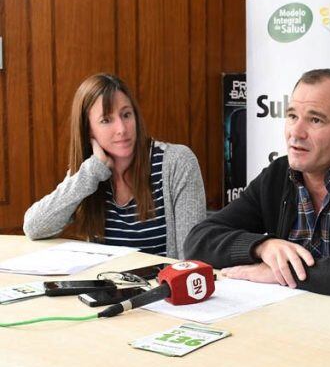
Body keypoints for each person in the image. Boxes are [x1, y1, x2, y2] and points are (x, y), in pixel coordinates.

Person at [184, 68, 330, 303]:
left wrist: (281, 272)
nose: (296, 132)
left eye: (315, 119)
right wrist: (262, 247)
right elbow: (198, 241)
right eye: (292, 116)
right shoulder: (279, 174)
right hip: (295, 321)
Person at [23, 73, 206, 258]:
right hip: (106, 285)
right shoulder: (89, 171)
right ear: (88, 130)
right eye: (106, 120)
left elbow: (191, 258)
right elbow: (34, 227)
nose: (122, 129)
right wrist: (92, 172)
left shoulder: (177, 163)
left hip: (163, 285)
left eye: (126, 115)